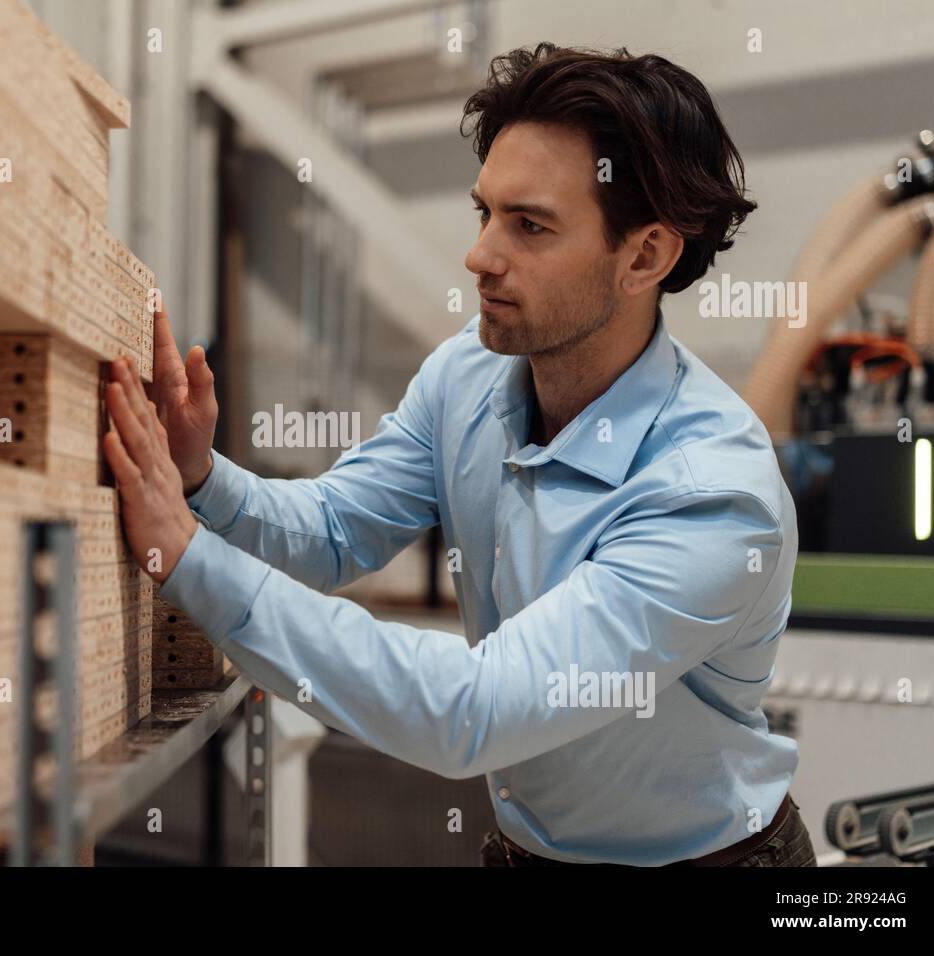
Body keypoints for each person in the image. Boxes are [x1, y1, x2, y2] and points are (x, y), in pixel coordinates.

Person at [101, 43, 816, 867]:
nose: (480, 256)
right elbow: (335, 533)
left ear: (645, 257)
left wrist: (189, 557)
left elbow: (470, 711)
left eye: (531, 226)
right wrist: (200, 478)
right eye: (485, 213)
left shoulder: (712, 493)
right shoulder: (468, 377)